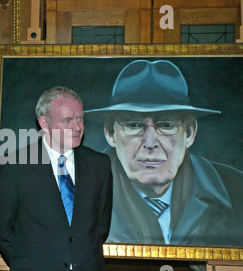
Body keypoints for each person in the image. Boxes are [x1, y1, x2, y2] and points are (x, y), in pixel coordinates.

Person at [85, 59, 243, 246]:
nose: (150, 143)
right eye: (134, 125)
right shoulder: (76, 190)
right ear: (111, 133)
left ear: (190, 133)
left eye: (167, 125)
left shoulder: (237, 189)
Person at [0, 86, 113, 271]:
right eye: (67, 121)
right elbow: (3, 230)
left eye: (80, 119)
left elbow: (100, 227)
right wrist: (33, 263)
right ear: (44, 123)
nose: (77, 127)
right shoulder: (15, 165)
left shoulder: (99, 165)